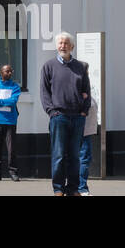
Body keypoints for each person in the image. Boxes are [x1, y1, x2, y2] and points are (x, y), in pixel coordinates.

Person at [39, 32, 90, 196]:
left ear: (72, 46)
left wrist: (84, 111)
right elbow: (44, 92)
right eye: (60, 43)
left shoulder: (80, 67)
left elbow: (86, 91)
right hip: (58, 117)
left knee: (75, 156)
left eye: (66, 43)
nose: (63, 46)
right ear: (56, 45)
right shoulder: (49, 66)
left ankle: (73, 188)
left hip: (77, 117)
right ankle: (58, 188)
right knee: (59, 155)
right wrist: (51, 111)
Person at [0, 63, 22, 181]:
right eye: (7, 71)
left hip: (10, 121)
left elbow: (13, 101)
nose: (10, 73)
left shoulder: (15, 87)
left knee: (11, 149)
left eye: (11, 71)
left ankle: (13, 172)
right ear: (1, 73)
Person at [77, 97, 97, 195]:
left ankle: (79, 188)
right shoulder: (79, 92)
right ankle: (81, 188)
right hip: (82, 131)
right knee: (84, 159)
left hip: (85, 131)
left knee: (83, 159)